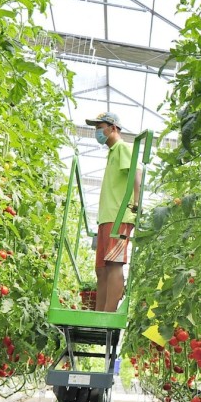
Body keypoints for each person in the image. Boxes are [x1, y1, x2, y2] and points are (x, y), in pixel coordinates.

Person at [85, 111, 141, 312]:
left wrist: (136, 202)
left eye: (100, 128)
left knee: (114, 264)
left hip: (119, 216)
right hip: (106, 218)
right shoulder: (112, 153)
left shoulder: (123, 148)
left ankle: (107, 316)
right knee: (101, 269)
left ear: (113, 128)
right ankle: (99, 314)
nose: (97, 132)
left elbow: (137, 171)